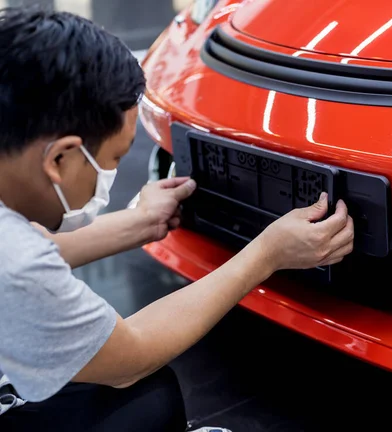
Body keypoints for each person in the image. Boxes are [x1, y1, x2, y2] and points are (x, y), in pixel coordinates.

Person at [0, 6, 354, 432]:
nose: (110, 176)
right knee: (144, 403)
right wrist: (266, 253)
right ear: (59, 157)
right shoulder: (17, 262)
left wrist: (139, 222)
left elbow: (33, 253)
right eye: (112, 159)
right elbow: (130, 357)